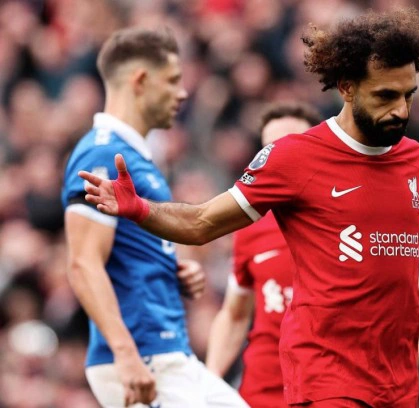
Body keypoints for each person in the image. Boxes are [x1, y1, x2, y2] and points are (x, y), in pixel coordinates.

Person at [80, 8, 419, 408]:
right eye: (385, 96)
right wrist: (141, 209)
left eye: (408, 95)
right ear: (348, 87)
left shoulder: (414, 159)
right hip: (326, 375)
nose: (401, 110)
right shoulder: (294, 158)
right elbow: (201, 223)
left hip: (395, 378)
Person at [205, 102, 419, 407]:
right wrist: (210, 379)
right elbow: (234, 313)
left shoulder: (359, 214)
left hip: (335, 388)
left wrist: (387, 383)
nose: (280, 156)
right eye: (270, 147)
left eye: (291, 144)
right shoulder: (250, 228)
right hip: (262, 393)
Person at [62, 27, 247, 408]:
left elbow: (120, 250)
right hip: (142, 357)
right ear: (141, 80)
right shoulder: (102, 154)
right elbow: (83, 263)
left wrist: (168, 268)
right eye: (173, 80)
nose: (182, 93)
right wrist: (125, 355)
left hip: (168, 352)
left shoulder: (135, 155)